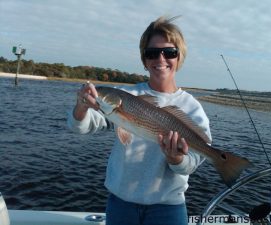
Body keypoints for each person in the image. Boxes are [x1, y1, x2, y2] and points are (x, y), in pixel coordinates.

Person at [68, 16, 212, 225]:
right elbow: (82, 126)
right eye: (152, 53)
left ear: (179, 58)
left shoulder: (192, 108)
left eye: (169, 52)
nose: (161, 59)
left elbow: (193, 163)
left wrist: (177, 160)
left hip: (168, 207)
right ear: (144, 60)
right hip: (121, 204)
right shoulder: (126, 95)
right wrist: (81, 106)